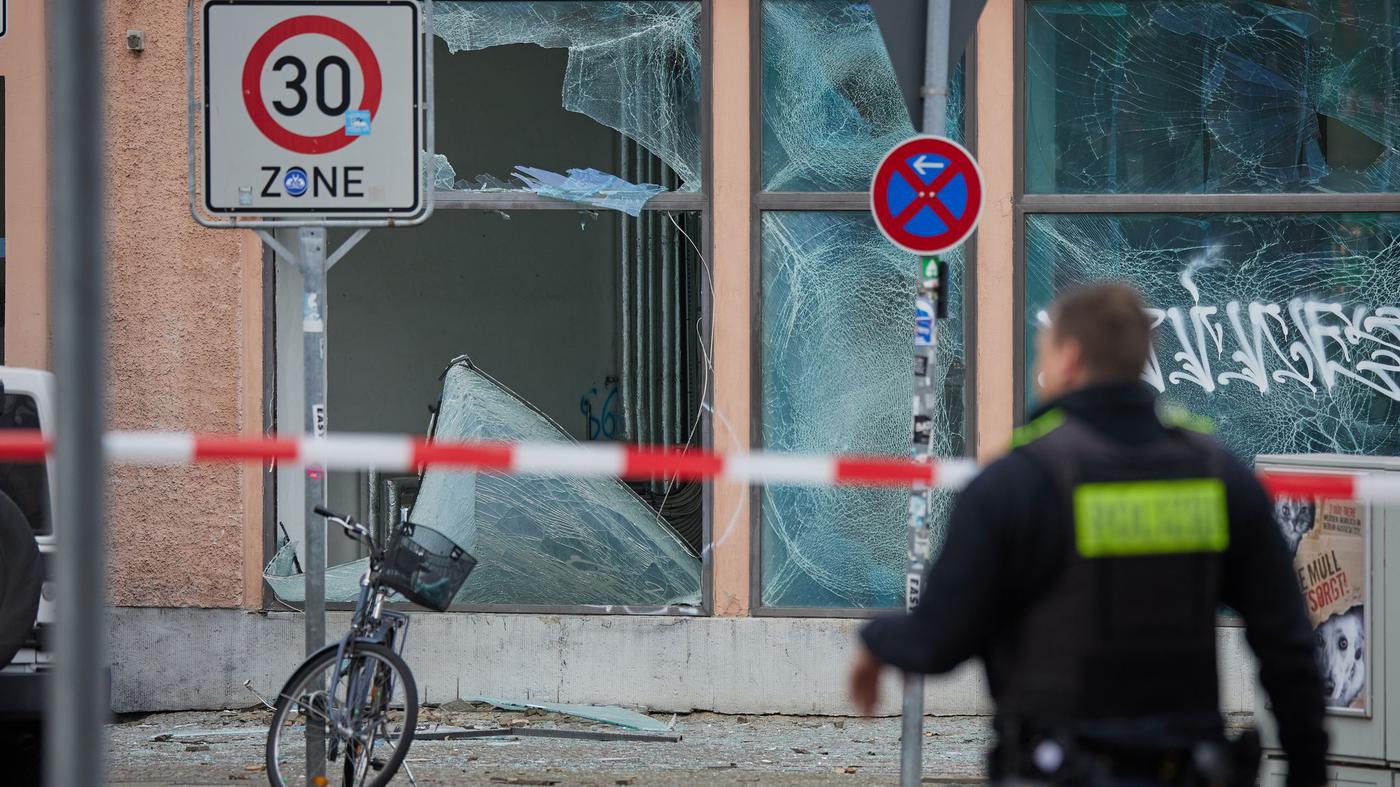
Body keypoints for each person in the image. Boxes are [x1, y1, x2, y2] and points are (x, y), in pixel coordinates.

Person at [849, 282, 1327, 786]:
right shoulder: (1219, 477)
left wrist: (876, 643)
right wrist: (1309, 772)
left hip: (1058, 767)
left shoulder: (1017, 483)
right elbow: (1288, 645)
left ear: (1070, 358)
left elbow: (939, 638)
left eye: (1044, 353)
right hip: (1186, 769)